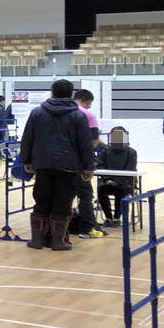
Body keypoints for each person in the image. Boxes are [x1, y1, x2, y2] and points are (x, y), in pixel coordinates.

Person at [20, 79, 95, 252]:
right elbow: (85, 144)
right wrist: (88, 167)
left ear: (52, 92)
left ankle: (37, 240)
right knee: (62, 204)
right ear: (71, 94)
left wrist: (26, 160)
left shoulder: (37, 112)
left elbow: (27, 139)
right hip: (69, 166)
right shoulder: (78, 115)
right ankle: (58, 242)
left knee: (41, 202)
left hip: (42, 165)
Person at [71, 88, 106, 238]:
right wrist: (88, 164)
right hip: (78, 163)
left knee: (62, 196)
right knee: (85, 195)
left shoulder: (60, 112)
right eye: (89, 104)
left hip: (56, 162)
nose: (89, 107)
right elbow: (93, 141)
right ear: (85, 101)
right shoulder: (88, 115)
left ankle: (57, 230)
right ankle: (86, 229)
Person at [97, 126, 138, 228]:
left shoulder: (131, 152)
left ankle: (117, 218)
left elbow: (130, 169)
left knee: (121, 189)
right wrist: (108, 180)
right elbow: (100, 166)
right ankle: (108, 217)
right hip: (107, 181)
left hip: (126, 182)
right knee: (100, 188)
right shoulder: (105, 151)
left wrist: (118, 181)